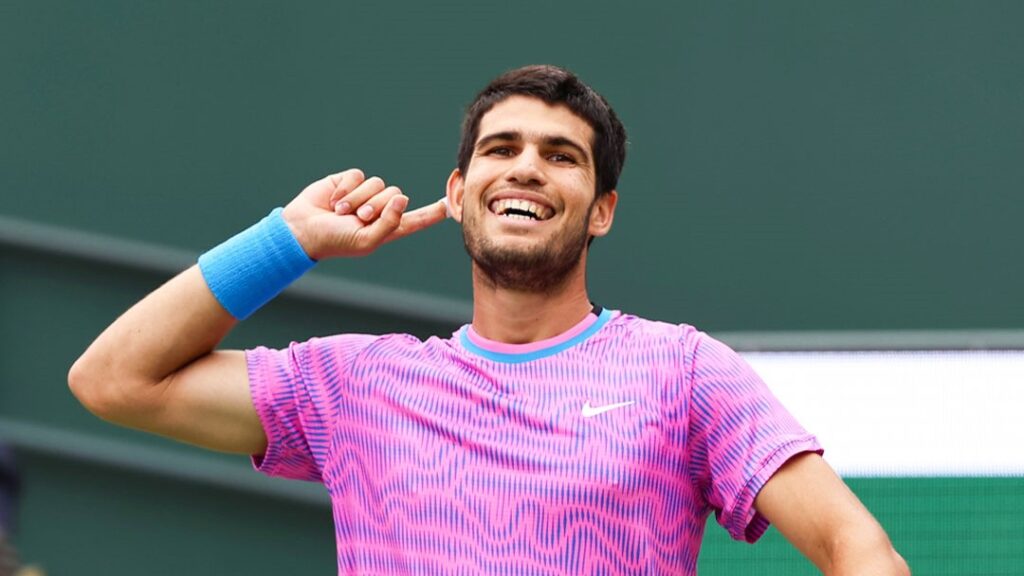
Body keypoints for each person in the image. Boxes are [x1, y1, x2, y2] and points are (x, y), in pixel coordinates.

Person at [69, 65, 909, 575]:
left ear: (602, 209)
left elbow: (860, 551)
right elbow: (112, 380)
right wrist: (287, 242)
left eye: (562, 155)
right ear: (460, 191)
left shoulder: (682, 370)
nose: (528, 169)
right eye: (501, 149)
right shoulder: (355, 382)